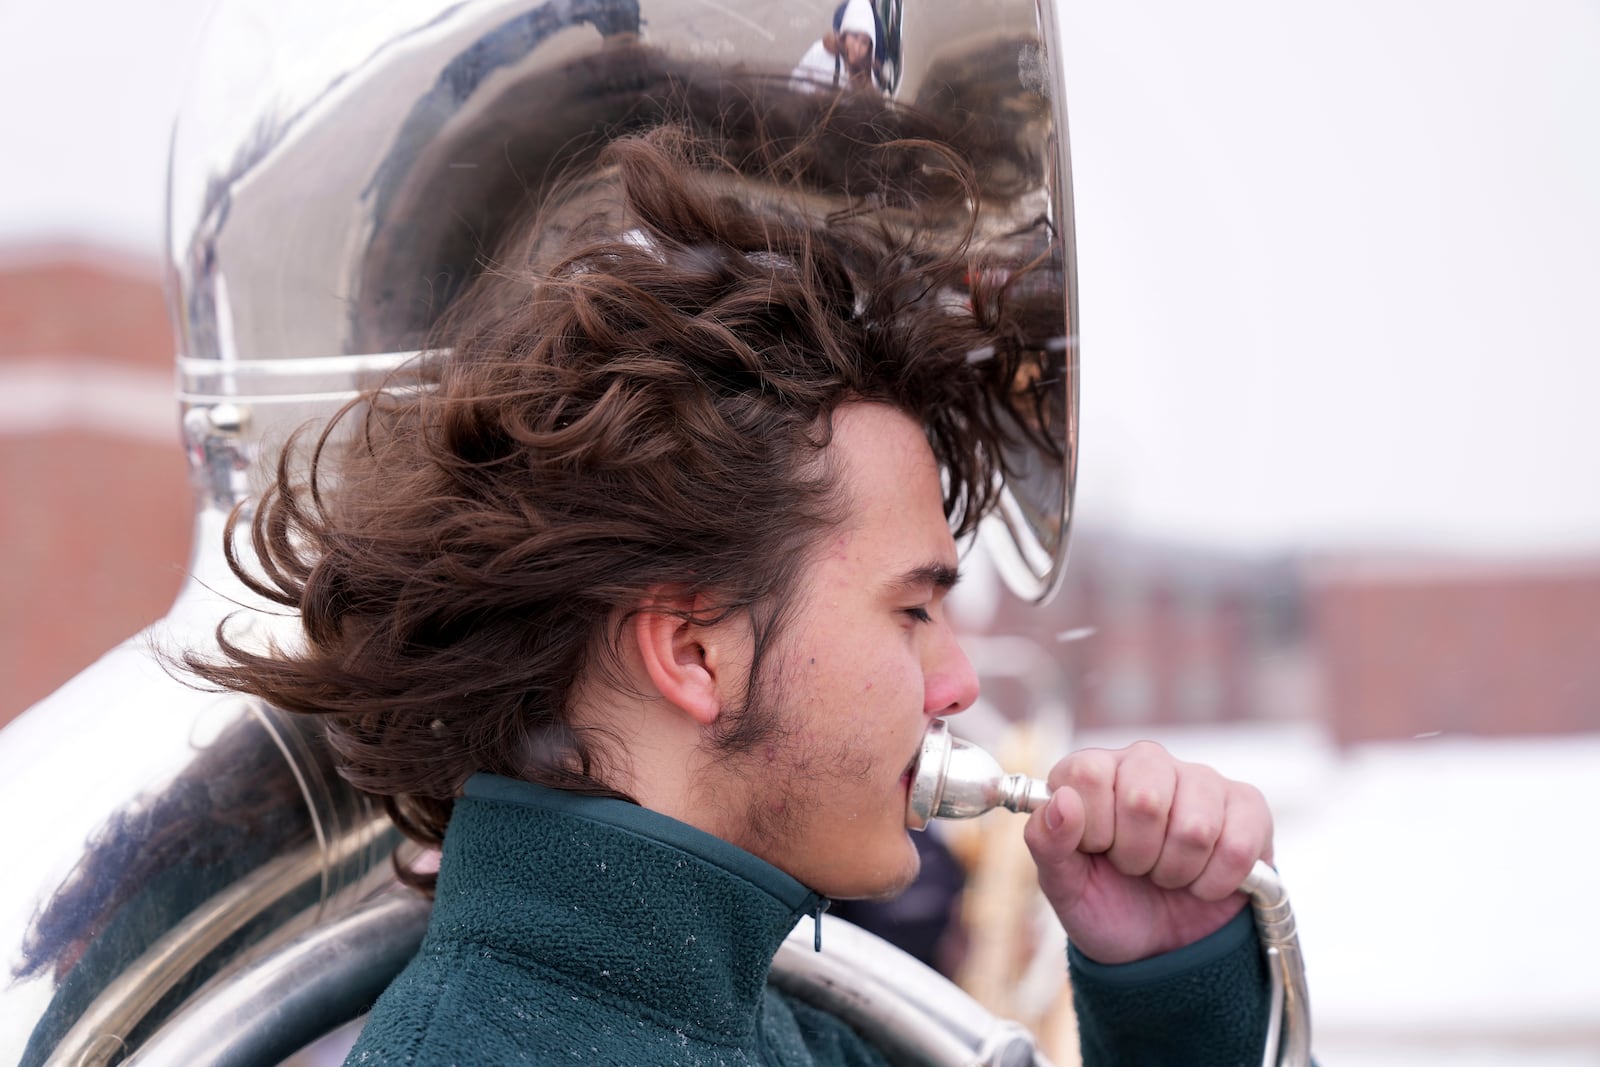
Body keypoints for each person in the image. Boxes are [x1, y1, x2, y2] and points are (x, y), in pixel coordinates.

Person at [186, 125, 1275, 1065]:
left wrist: (1172, 986)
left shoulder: (794, 1029)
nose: (957, 681)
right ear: (692, 651)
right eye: (911, 608)